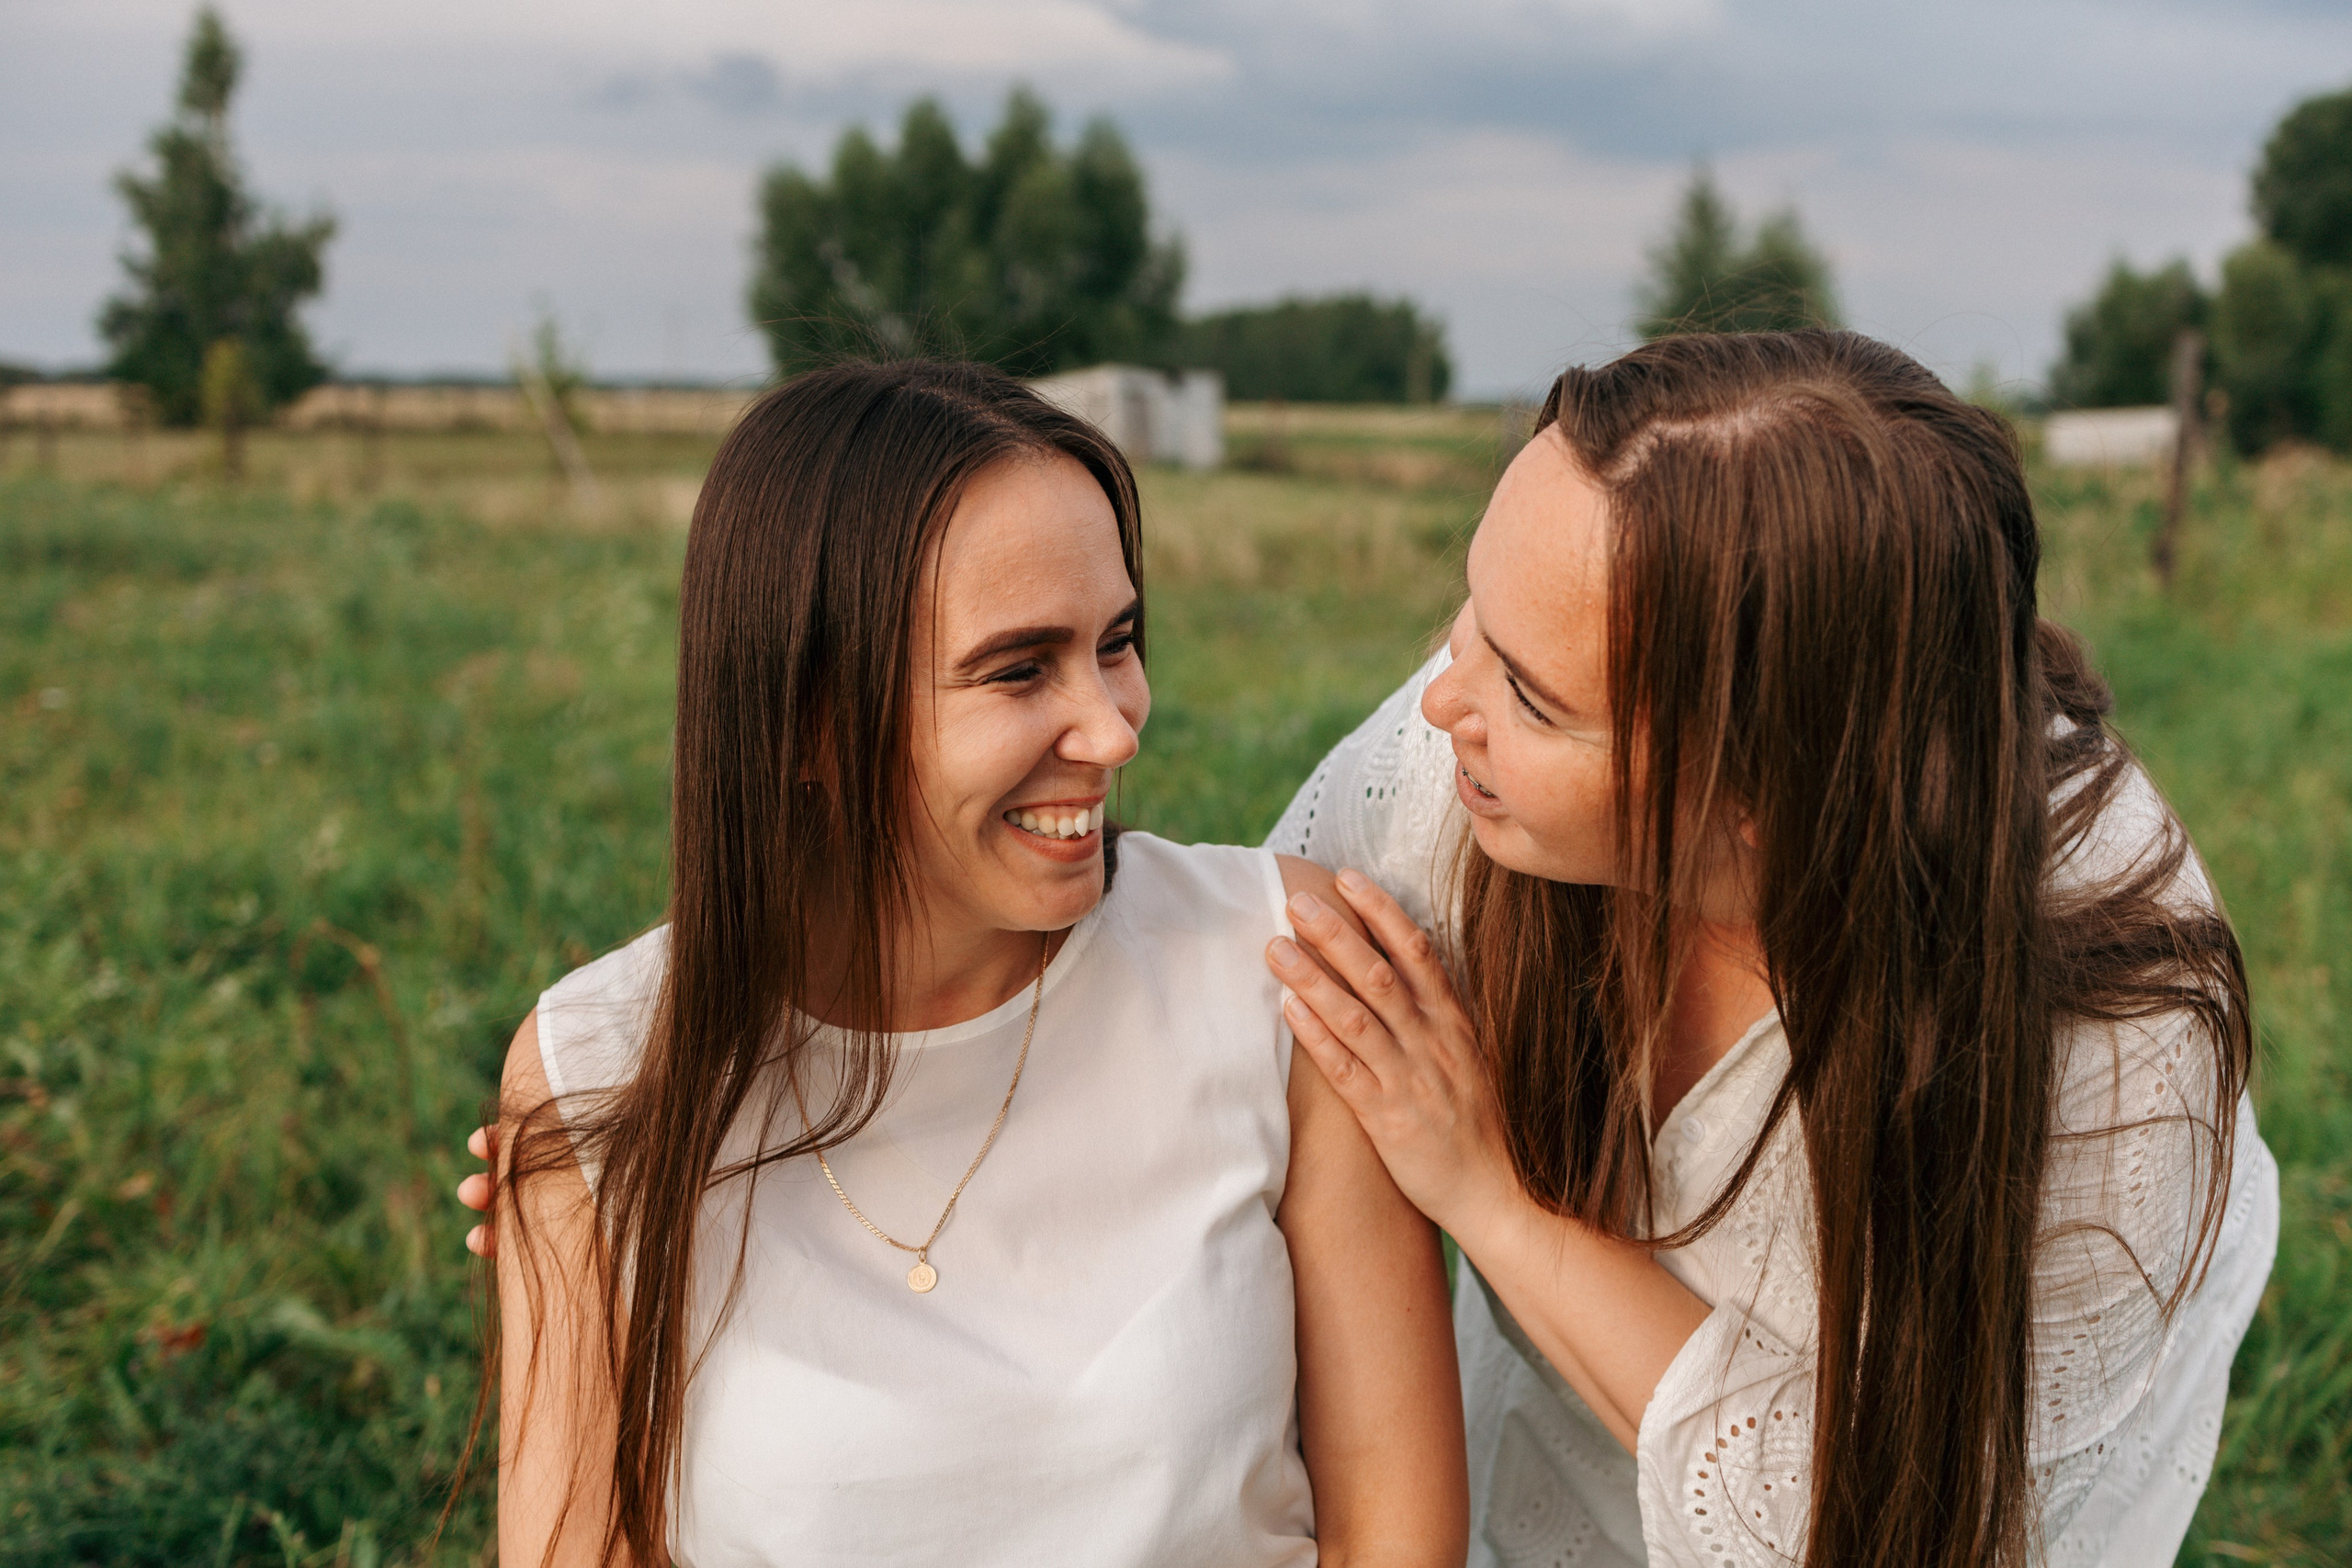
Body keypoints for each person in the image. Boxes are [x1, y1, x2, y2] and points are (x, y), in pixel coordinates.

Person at [1261, 330, 2278, 1567]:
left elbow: (1874, 1529)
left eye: (1531, 696)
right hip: (1574, 1386)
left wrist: (1489, 1195)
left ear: (1764, 789)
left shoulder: (2111, 1050)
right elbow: (1248, 1049)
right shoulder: (1457, 775)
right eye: (1469, 614)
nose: (1440, 701)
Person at [475, 360, 1466, 1567]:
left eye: (1118, 642)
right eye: (1017, 669)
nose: (1115, 727)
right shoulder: (601, 1068)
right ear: (810, 721)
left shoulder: (1281, 974)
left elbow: (1399, 1543)